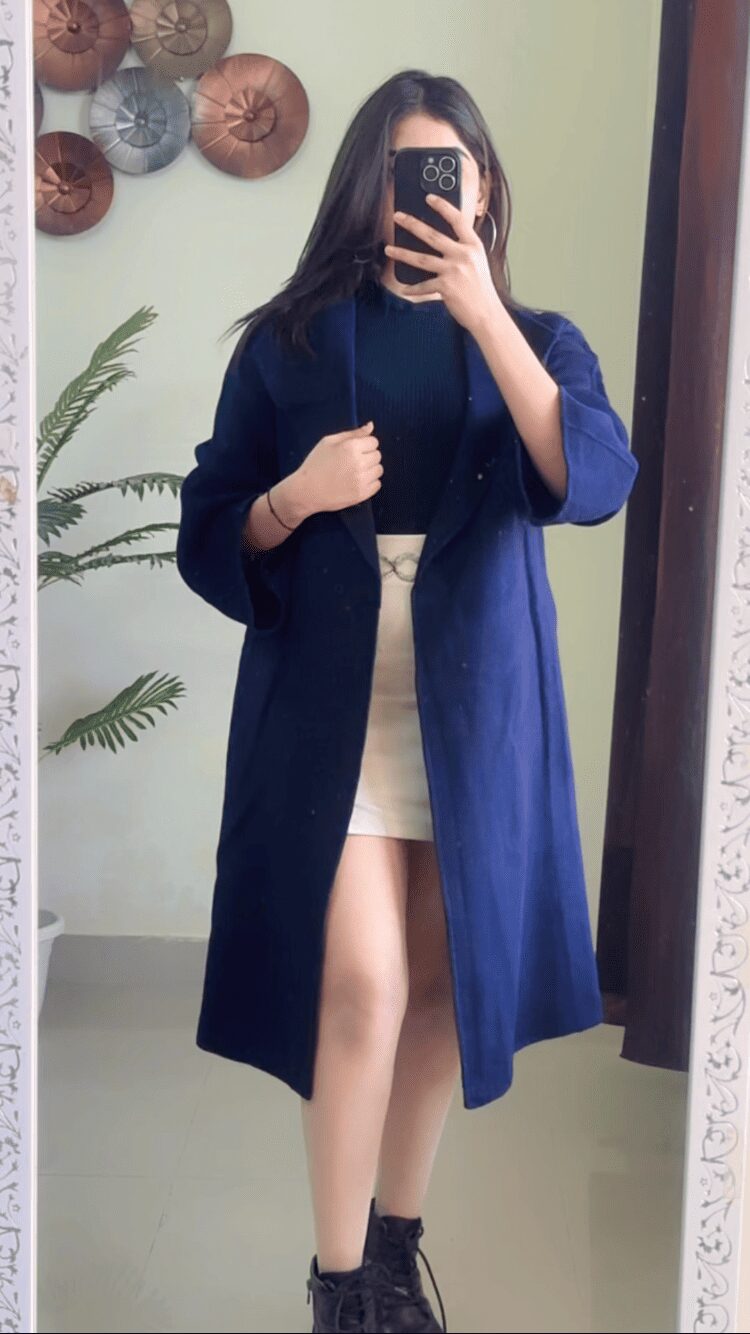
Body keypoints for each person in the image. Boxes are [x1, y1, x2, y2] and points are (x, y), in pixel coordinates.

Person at [176, 69, 639, 1334]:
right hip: (331, 711)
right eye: (400, 172)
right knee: (365, 985)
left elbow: (595, 479)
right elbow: (208, 529)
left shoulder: (538, 339)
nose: (421, 196)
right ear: (363, 188)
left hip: (477, 712)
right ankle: (339, 1287)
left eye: (447, 171)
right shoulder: (289, 341)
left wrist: (484, 314)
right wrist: (295, 497)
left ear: (482, 191)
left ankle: (393, 1249)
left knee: (441, 987)